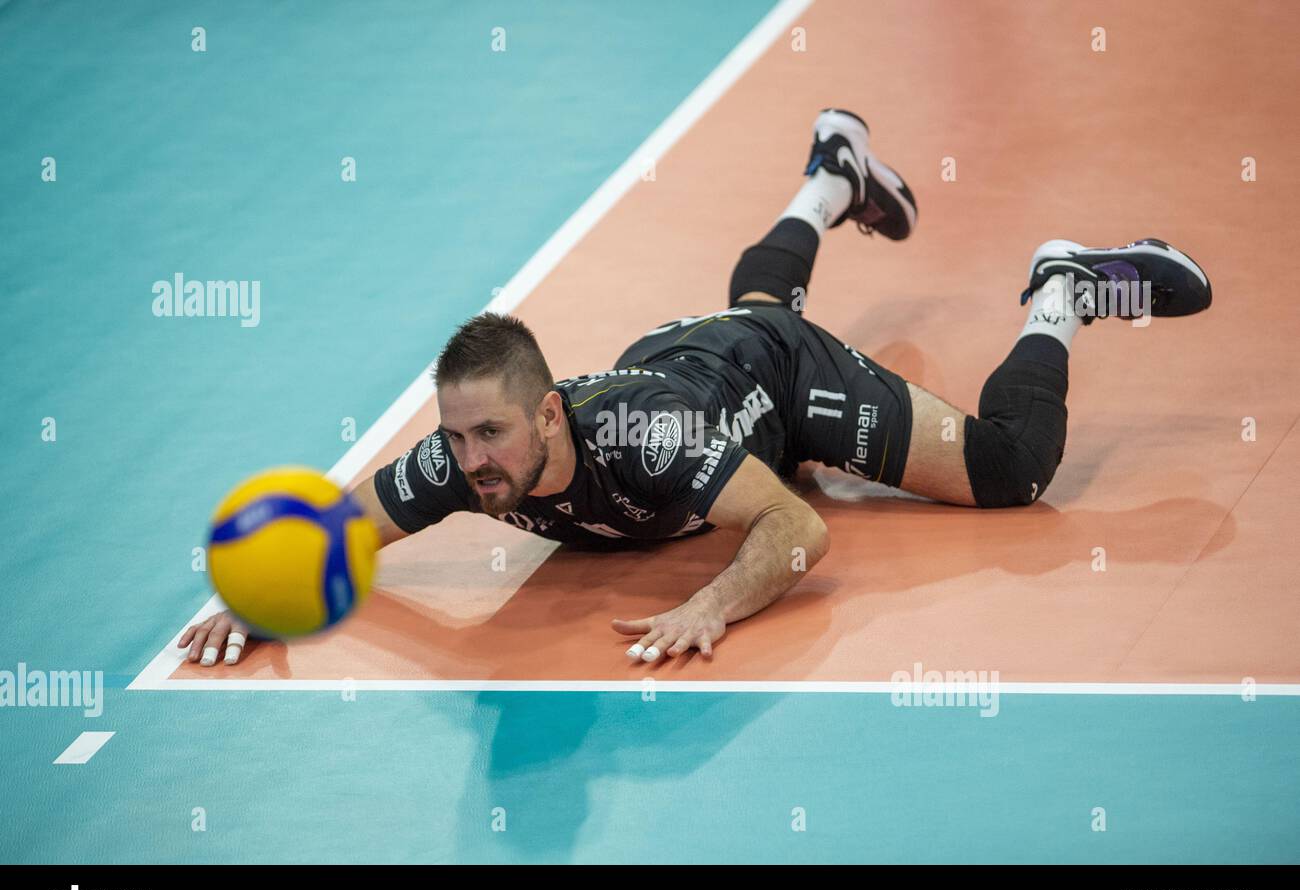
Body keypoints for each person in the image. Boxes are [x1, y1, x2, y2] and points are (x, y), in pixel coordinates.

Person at [181, 108, 1212, 668]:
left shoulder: (653, 443)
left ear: (546, 414)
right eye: (456, 442)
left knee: (1009, 468)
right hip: (695, 357)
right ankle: (832, 178)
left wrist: (712, 605)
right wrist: (257, 594)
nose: (469, 463)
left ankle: (1063, 287)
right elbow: (334, 525)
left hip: (775, 379)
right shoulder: (468, 460)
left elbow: (800, 533)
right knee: (744, 313)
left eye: (488, 435)